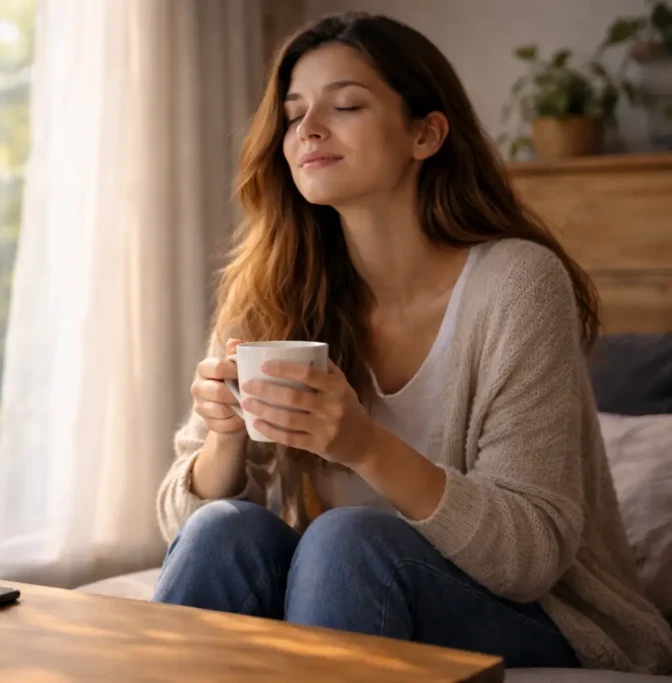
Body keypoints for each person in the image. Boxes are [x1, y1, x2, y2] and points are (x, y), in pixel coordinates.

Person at [151, 11, 672, 675]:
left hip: (532, 613)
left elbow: (531, 556)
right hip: (337, 590)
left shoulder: (517, 283)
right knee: (224, 530)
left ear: (425, 134)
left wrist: (364, 444)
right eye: (293, 113)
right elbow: (181, 527)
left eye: (346, 105)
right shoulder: (272, 288)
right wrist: (224, 440)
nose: (308, 129)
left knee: (347, 540)